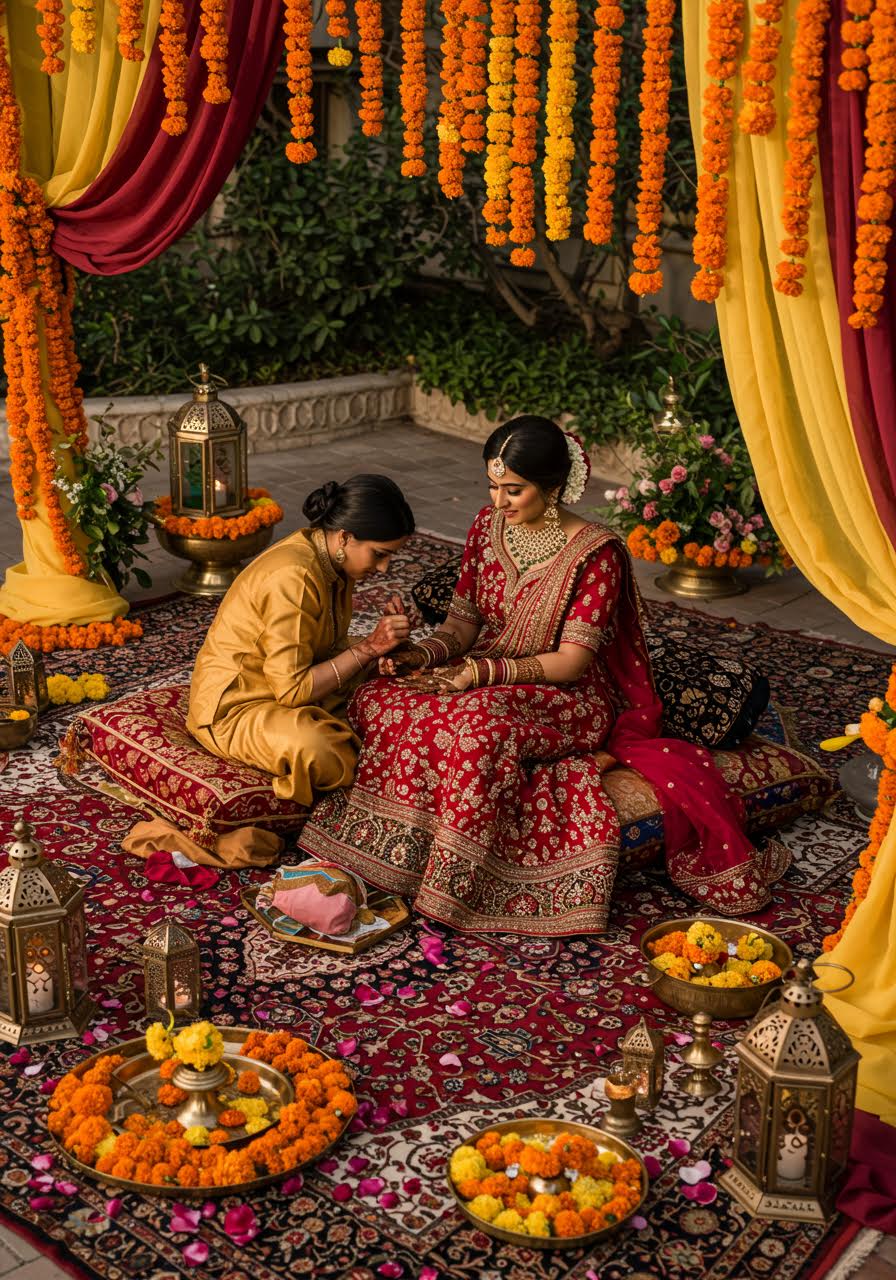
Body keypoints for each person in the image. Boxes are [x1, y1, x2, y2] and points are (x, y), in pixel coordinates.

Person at [298, 418, 790, 936]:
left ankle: (456, 882)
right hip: (483, 667)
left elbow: (573, 661)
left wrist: (479, 675)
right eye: (492, 487)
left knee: (473, 730)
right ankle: (392, 852)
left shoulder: (595, 553)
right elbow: (464, 623)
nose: (500, 501)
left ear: (553, 487)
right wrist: (421, 657)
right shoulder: (486, 528)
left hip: (565, 692)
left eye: (514, 490)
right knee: (380, 696)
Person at [187, 475, 415, 807]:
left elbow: (327, 646)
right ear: (346, 537)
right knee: (321, 749)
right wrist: (368, 648)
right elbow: (292, 691)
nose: (383, 568)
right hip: (236, 709)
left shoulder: (330, 559)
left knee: (399, 686)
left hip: (284, 684)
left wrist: (382, 645)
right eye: (379, 554)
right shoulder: (295, 576)